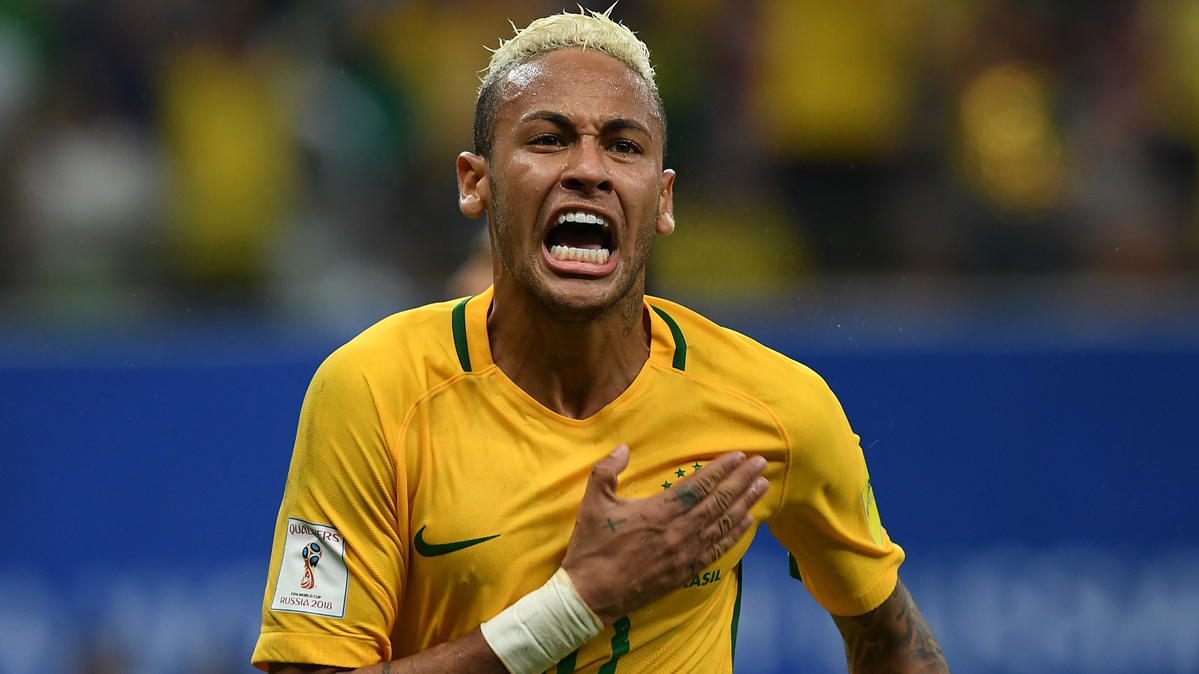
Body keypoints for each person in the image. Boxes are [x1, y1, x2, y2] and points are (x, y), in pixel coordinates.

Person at [252, 9, 949, 674]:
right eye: (548, 139)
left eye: (623, 145)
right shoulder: (373, 391)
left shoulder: (775, 408)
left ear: (663, 198)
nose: (589, 168)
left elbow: (889, 639)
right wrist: (578, 602)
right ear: (475, 183)